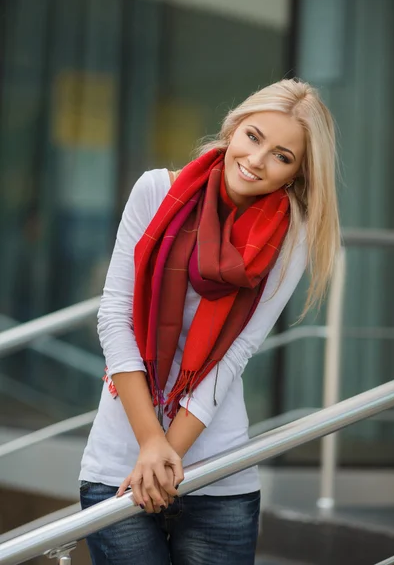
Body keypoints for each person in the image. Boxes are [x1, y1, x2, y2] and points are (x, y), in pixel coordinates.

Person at [79, 78, 340, 565]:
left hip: (219, 476)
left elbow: (237, 352)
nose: (257, 160)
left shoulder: (292, 237)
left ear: (297, 174)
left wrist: (164, 457)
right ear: (234, 128)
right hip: (119, 462)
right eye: (254, 136)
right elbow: (114, 316)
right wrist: (151, 444)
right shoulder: (157, 190)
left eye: (283, 156)